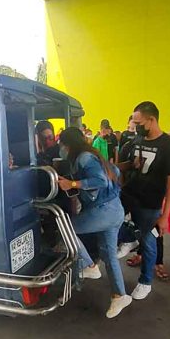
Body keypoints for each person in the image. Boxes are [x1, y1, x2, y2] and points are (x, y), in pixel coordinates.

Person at [56, 128, 132, 318]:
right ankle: (119, 295)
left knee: (65, 227)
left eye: (62, 145)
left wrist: (73, 184)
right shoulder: (94, 154)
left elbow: (100, 180)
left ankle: (89, 266)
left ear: (68, 145)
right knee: (109, 255)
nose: (61, 149)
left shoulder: (83, 158)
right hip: (115, 210)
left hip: (104, 211)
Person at [118, 101, 170, 299]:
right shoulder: (138, 139)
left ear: (151, 120)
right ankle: (129, 238)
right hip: (129, 194)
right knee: (109, 219)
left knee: (148, 241)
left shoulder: (168, 146)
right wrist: (113, 167)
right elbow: (132, 164)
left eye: (139, 123)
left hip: (150, 202)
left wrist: (165, 215)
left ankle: (145, 282)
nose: (136, 127)